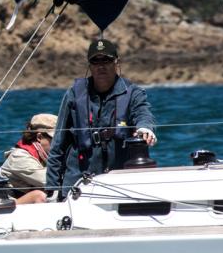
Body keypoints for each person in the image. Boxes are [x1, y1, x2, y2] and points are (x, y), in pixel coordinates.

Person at [45, 38, 156, 199]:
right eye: (95, 61)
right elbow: (58, 143)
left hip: (119, 182)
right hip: (78, 182)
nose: (101, 66)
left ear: (116, 62)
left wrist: (145, 128)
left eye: (106, 60)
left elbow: (143, 113)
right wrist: (52, 187)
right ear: (89, 66)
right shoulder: (74, 94)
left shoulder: (133, 92)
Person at [0, 114, 57, 203]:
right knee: (38, 196)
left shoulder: (43, 155)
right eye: (56, 139)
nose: (59, 143)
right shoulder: (19, 157)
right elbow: (50, 180)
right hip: (8, 206)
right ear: (39, 137)